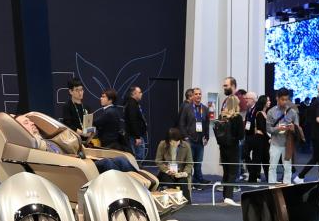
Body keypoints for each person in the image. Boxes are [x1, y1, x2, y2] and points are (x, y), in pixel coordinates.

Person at [15, 114, 145, 181]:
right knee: (107, 164)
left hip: (76, 163)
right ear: (19, 130)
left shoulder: (45, 139)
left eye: (31, 120)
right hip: (69, 171)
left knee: (121, 160)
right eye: (26, 122)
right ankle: (132, 190)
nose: (32, 123)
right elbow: (52, 160)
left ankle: (143, 184)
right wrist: (75, 159)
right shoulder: (33, 145)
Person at [295, 81, 319, 183]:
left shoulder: (315, 102)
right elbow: (318, 119)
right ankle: (300, 176)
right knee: (316, 158)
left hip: (316, 134)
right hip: (318, 135)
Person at [214, 95, 244, 205]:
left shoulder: (222, 116)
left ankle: (225, 196)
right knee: (233, 172)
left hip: (223, 147)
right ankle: (229, 196)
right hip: (233, 148)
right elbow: (241, 135)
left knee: (226, 171)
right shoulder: (237, 117)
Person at [266, 88, 299, 185]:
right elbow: (268, 129)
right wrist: (278, 129)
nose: (284, 102)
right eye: (282, 99)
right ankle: (271, 187)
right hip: (275, 143)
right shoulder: (271, 112)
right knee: (272, 167)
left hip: (288, 144)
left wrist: (293, 128)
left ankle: (287, 186)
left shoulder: (292, 112)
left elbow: (297, 128)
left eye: (286, 99)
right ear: (277, 98)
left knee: (288, 167)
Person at [179, 87, 210, 185]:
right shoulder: (187, 108)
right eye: (196, 94)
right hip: (190, 140)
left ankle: (198, 179)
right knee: (189, 162)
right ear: (192, 96)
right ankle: (189, 180)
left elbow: (207, 124)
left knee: (198, 162)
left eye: (200, 94)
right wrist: (185, 137)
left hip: (200, 140)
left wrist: (207, 137)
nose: (198, 96)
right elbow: (181, 123)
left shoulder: (204, 109)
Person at [155, 128, 193, 202]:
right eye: (173, 142)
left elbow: (190, 163)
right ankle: (172, 204)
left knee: (183, 184)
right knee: (170, 184)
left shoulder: (186, 146)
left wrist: (184, 173)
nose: (175, 144)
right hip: (167, 173)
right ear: (168, 140)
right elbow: (158, 161)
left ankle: (188, 205)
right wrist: (167, 170)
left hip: (180, 172)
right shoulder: (162, 145)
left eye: (177, 141)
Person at [246, 95, 270, 183]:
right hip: (259, 140)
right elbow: (262, 128)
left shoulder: (264, 113)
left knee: (266, 160)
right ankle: (252, 180)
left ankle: (270, 179)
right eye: (268, 100)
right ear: (264, 102)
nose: (269, 102)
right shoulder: (259, 113)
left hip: (264, 140)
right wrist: (270, 137)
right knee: (257, 160)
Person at [124, 86, 148, 160]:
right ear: (134, 93)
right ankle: (137, 170)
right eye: (140, 92)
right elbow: (133, 121)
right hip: (135, 136)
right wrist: (137, 136)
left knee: (138, 156)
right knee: (138, 157)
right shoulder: (132, 104)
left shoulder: (133, 103)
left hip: (135, 135)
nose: (142, 94)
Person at [242, 92, 258, 179]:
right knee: (245, 154)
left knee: (255, 157)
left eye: (246, 99)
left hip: (253, 136)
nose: (245, 100)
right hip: (248, 136)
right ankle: (251, 172)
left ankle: (253, 174)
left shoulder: (256, 110)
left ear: (252, 100)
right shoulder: (249, 109)